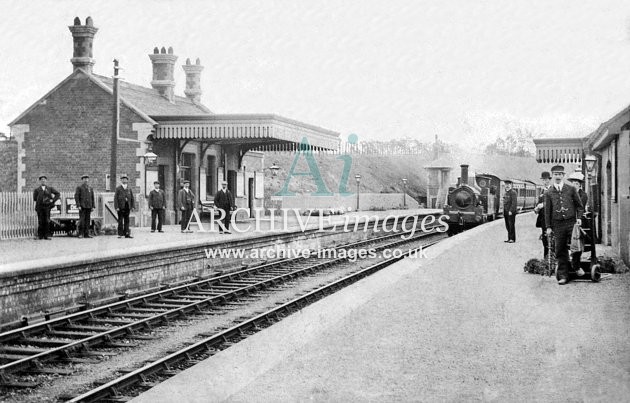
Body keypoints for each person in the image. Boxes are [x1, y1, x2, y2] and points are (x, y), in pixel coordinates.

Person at [544, 165, 584, 285]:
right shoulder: (548, 192)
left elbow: (580, 206)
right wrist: (549, 227)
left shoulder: (571, 189)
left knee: (576, 245)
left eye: (560, 174)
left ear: (563, 176)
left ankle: (576, 266)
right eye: (555, 174)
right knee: (560, 249)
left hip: (571, 222)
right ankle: (563, 276)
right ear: (553, 176)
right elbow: (547, 211)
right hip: (557, 224)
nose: (557, 176)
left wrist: (579, 218)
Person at [567, 171, 588, 273]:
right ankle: (570, 263)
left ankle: (576, 265)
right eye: (573, 183)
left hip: (579, 221)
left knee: (577, 243)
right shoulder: (569, 193)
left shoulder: (583, 195)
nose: (574, 185)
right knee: (569, 243)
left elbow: (579, 206)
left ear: (580, 184)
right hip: (570, 221)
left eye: (576, 183)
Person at [33, 175, 60, 240]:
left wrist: (52, 200)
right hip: (40, 207)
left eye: (44, 179)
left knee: (47, 221)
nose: (43, 181)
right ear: (40, 181)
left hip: (47, 207)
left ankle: (47, 235)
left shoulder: (50, 188)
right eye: (42, 179)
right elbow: (35, 198)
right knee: (40, 221)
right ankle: (40, 235)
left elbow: (57, 194)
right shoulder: (37, 190)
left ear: (46, 181)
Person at [534, 171, 551, 258]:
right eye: (543, 180)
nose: (545, 182)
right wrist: (536, 208)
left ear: (549, 180)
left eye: (546, 180)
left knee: (550, 240)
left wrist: (543, 205)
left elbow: (554, 203)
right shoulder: (542, 190)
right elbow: (539, 203)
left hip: (550, 219)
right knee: (544, 240)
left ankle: (551, 259)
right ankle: (546, 259)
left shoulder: (552, 190)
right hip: (542, 219)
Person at [114, 174, 135, 238]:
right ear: (121, 180)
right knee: (120, 220)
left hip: (127, 206)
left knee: (127, 220)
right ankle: (120, 234)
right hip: (120, 207)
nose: (124, 180)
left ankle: (127, 233)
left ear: (127, 180)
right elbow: (115, 198)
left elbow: (132, 198)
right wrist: (116, 207)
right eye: (123, 179)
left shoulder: (129, 189)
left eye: (125, 179)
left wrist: (132, 206)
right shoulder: (118, 188)